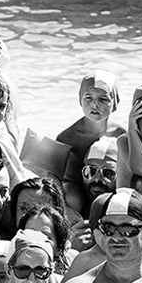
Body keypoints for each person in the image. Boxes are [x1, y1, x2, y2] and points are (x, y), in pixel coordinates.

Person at [56, 70, 119, 211]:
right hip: (78, 193)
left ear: (115, 103)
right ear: (80, 100)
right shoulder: (66, 138)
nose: (95, 105)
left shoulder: (122, 135)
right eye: (88, 98)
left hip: (110, 188)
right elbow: (56, 178)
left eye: (103, 99)